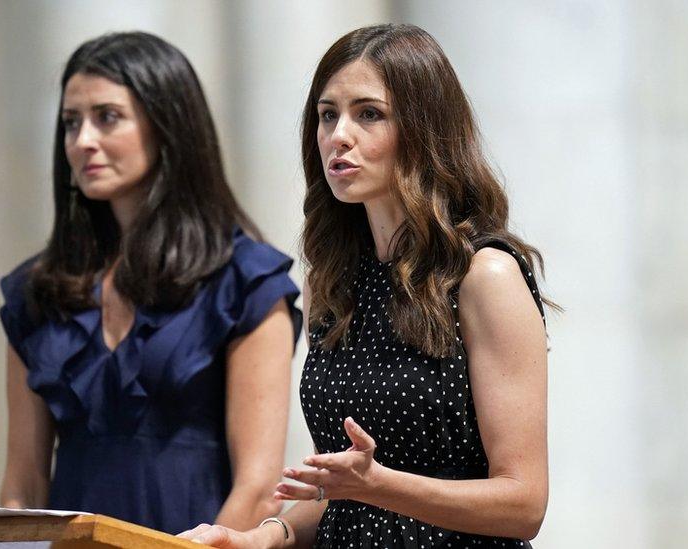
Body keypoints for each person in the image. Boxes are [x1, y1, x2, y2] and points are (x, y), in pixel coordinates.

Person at [179, 24, 552, 548]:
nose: (339, 135)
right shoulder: (331, 282)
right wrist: (268, 535)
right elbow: (344, 491)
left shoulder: (483, 275)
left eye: (368, 114)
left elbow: (523, 502)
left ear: (424, 128)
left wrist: (378, 485)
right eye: (327, 115)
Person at [0, 31, 302, 535]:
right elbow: (22, 484)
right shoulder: (38, 291)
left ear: (167, 126)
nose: (82, 140)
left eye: (107, 117)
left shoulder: (246, 281)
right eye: (71, 123)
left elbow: (258, 486)